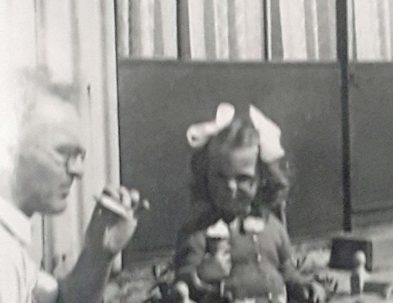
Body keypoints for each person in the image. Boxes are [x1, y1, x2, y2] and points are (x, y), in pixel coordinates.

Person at [0, 71, 147, 303]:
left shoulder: (11, 242)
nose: (78, 171)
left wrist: (99, 253)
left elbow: (60, 300)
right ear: (7, 147)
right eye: (63, 152)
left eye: (79, 156)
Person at [174, 103, 328, 303]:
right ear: (205, 176)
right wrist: (203, 273)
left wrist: (301, 285)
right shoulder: (198, 232)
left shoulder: (272, 227)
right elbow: (182, 283)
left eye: (243, 179)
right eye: (220, 177)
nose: (230, 187)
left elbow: (285, 270)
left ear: (264, 179)